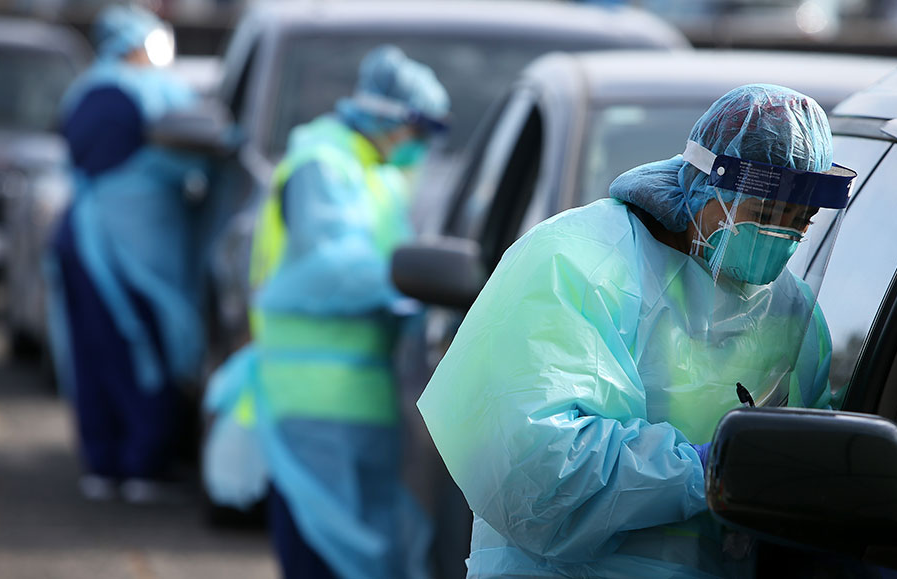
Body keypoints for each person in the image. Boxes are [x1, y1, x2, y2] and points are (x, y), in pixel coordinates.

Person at [417, 84, 856, 577]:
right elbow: (536, 473)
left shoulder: (790, 310)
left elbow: (814, 455)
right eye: (765, 215)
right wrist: (707, 468)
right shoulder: (577, 262)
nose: (783, 239)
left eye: (802, 222)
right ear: (707, 185)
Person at [246, 45, 450, 579]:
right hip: (311, 394)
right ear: (389, 117)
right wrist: (411, 284)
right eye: (419, 130)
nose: (422, 147)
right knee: (321, 544)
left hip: (360, 396)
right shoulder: (322, 165)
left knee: (361, 545)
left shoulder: (377, 172)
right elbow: (335, 267)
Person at [46, 3, 207, 503]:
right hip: (130, 249)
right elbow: (200, 146)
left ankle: (102, 464)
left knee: (91, 356)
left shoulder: (84, 87)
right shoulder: (151, 88)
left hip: (78, 239)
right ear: (140, 45)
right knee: (141, 354)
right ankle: (143, 465)